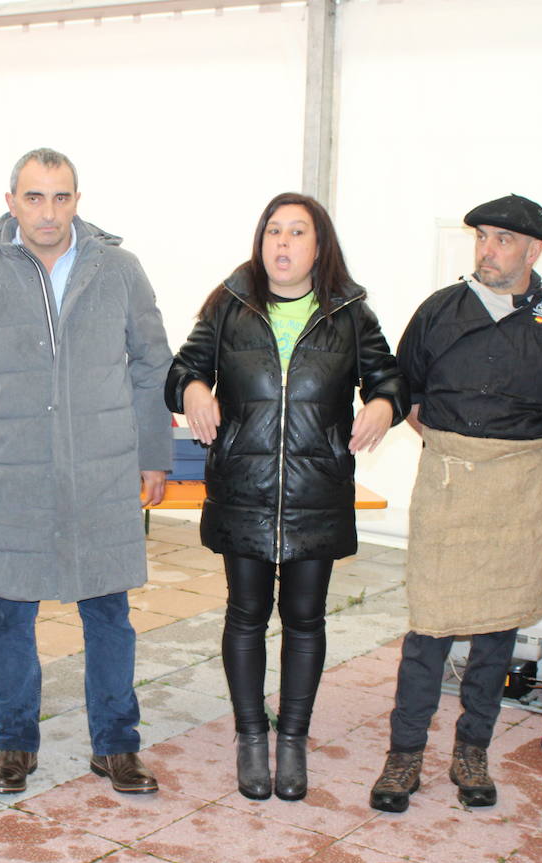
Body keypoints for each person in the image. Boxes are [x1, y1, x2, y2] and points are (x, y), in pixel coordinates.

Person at [0, 147, 172, 796]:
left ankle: (116, 746)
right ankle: (14, 745)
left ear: (78, 201)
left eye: (61, 197)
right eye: (34, 197)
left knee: (109, 614)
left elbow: (153, 363)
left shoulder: (118, 270)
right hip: (10, 474)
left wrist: (153, 455)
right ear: (10, 202)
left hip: (102, 473)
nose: (48, 211)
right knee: (10, 617)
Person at [165, 193, 407, 801]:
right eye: (274, 230)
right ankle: (252, 737)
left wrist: (381, 403)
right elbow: (182, 368)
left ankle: (292, 739)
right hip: (243, 486)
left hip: (315, 489)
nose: (282, 243)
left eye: (297, 232)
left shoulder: (349, 312)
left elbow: (390, 379)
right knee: (245, 615)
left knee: (305, 619)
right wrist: (193, 388)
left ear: (318, 245)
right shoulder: (229, 304)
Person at [370, 194, 542, 814]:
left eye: (501, 240)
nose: (487, 251)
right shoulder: (440, 311)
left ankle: (472, 751)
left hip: (517, 493)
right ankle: (404, 756)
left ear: (534, 250)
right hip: (449, 484)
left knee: (498, 628)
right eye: (481, 238)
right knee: (429, 627)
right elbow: (404, 395)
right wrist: (460, 452)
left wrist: (505, 460)